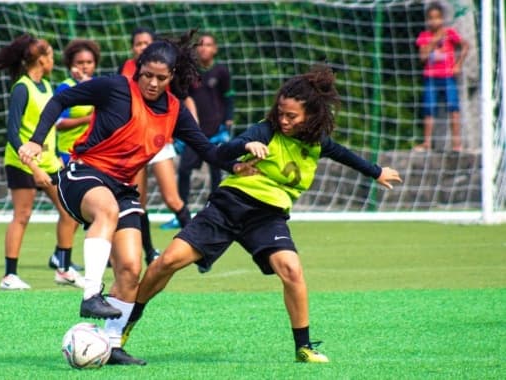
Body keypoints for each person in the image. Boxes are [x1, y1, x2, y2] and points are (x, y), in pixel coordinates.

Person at [120, 65, 403, 363]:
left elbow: (345, 154)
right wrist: (246, 143)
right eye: (280, 112)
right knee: (167, 261)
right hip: (230, 204)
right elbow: (225, 150)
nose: (283, 120)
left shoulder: (317, 143)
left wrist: (376, 172)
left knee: (291, 269)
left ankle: (304, 347)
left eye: (291, 116)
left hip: (267, 217)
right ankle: (126, 325)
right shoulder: (266, 130)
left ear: (310, 115)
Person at [18, 32, 268, 365]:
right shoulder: (116, 87)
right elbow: (59, 101)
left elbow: (208, 150)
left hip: (122, 187)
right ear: (138, 69)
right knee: (105, 210)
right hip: (84, 173)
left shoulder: (175, 112)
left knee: (131, 269)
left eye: (160, 78)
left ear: (172, 77)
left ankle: (111, 344)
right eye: (146, 74)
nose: (151, 82)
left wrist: (238, 157)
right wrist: (36, 140)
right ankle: (91, 292)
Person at [0, 34, 82, 290]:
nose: (53, 60)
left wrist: (54, 162)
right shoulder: (22, 87)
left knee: (69, 212)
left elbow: (51, 128)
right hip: (21, 163)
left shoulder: (48, 88)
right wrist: (34, 167)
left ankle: (63, 269)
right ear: (41, 60)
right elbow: (12, 134)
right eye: (50, 56)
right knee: (23, 214)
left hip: (50, 162)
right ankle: (9, 276)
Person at [119, 27, 199, 265]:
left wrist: (191, 127)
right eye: (137, 43)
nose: (141, 46)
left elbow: (183, 98)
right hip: (133, 143)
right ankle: (148, 251)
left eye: (146, 42)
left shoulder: (164, 69)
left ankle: (198, 246)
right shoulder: (126, 70)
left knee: (173, 199)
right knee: (137, 202)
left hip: (160, 143)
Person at [163, 32, 234, 230]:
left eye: (209, 45)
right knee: (184, 169)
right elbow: (183, 98)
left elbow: (228, 98)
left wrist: (228, 121)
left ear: (215, 49)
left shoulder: (221, 71)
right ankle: (181, 212)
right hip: (193, 132)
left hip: (216, 130)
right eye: (200, 45)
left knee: (216, 171)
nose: (204, 48)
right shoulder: (190, 71)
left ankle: (216, 212)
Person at [48, 39, 102, 273]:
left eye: (89, 62)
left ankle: (60, 255)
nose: (85, 66)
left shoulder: (98, 85)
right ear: (71, 64)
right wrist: (87, 119)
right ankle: (62, 258)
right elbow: (58, 123)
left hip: (93, 156)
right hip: (68, 154)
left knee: (84, 211)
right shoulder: (66, 88)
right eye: (80, 62)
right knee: (71, 211)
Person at [414, 1, 469, 152]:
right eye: (431, 18)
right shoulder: (425, 36)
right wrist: (435, 41)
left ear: (442, 18)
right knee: (429, 109)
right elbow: (423, 57)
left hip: (447, 77)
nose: (434, 21)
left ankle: (456, 144)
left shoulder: (449, 33)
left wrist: (458, 64)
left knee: (454, 109)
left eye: (437, 18)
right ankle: (427, 143)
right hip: (431, 78)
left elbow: (465, 46)